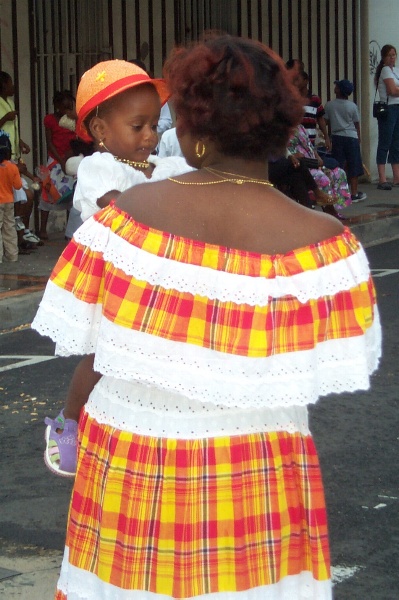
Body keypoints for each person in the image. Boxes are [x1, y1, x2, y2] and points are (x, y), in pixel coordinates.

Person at [32, 34, 381, 599]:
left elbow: (87, 343)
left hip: (132, 464)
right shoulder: (329, 248)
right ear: (283, 125)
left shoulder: (123, 223)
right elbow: (327, 368)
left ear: (187, 129)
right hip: (260, 474)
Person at [41, 58, 194, 474]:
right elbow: (121, 208)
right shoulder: (99, 168)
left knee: (160, 356)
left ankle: (145, 429)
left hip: (162, 278)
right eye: (138, 126)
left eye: (154, 126)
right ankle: (68, 423)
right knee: (101, 356)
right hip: (116, 280)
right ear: (101, 131)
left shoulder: (167, 168)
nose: (150, 136)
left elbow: (202, 185)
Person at [0, 71, 41, 250]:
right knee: (25, 196)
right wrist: (4, 119)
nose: (13, 87)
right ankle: (19, 234)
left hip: (12, 157)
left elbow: (10, 131)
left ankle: (20, 233)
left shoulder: (8, 102)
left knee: (24, 198)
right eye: (10, 83)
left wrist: (20, 142)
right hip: (4, 159)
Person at [287, 123, 352, 218]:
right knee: (322, 178)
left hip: (312, 161)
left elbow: (310, 145)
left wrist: (317, 157)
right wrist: (292, 156)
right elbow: (280, 150)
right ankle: (329, 209)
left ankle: (335, 204)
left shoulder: (300, 127)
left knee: (339, 173)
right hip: (300, 165)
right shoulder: (282, 128)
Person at [39, 90, 77, 239]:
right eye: (64, 108)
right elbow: (50, 143)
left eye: (70, 107)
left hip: (70, 159)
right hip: (55, 160)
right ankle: (42, 229)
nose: (67, 111)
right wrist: (61, 161)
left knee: (71, 195)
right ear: (57, 106)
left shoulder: (73, 120)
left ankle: (70, 229)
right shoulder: (50, 120)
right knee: (48, 192)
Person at [324, 79, 367, 203]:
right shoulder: (352, 106)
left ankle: (339, 192)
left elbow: (325, 121)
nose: (335, 87)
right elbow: (356, 123)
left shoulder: (330, 105)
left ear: (338, 90)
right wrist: (358, 137)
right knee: (353, 165)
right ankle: (353, 194)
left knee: (339, 165)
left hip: (337, 137)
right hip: (351, 137)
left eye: (336, 86)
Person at [374, 44, 399, 190]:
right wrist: (396, 90)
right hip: (388, 109)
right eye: (389, 55)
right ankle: (382, 178)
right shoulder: (384, 70)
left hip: (397, 107)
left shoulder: (395, 71)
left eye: (394, 55)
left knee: (396, 143)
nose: (392, 58)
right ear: (384, 57)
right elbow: (392, 90)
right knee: (385, 141)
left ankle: (396, 176)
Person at [268, 154, 333, 209]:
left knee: (297, 177)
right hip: (265, 167)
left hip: (278, 163)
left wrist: (290, 156)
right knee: (300, 162)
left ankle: (307, 209)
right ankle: (317, 193)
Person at [0, 131, 22, 263]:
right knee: (9, 228)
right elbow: (18, 186)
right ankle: (12, 256)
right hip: (9, 201)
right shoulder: (12, 167)